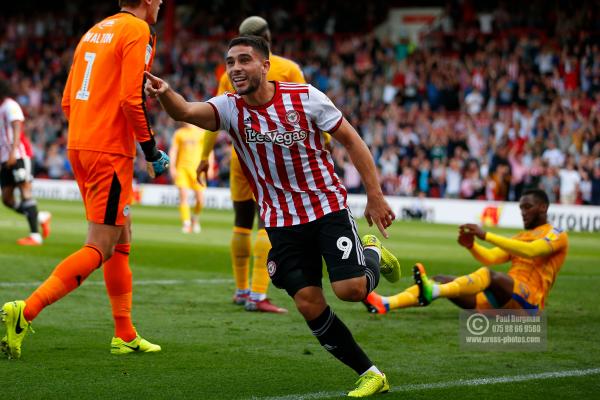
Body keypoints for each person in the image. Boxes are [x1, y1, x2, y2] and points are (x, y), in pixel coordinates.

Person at [145, 35, 401, 397]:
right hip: (280, 221)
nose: (236, 68)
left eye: (245, 60)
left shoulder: (306, 97)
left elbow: (351, 140)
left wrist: (374, 195)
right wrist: (165, 92)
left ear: (265, 66)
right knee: (308, 302)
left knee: (351, 290)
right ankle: (372, 373)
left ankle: (371, 251)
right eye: (230, 62)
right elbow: (185, 111)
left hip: (325, 207)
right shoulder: (230, 108)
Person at [1, 0, 169, 360]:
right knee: (101, 246)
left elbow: (67, 101)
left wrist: (88, 132)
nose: (160, 1)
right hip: (108, 150)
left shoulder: (94, 31)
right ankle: (25, 312)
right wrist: (151, 149)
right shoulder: (139, 30)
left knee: (121, 239)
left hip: (82, 144)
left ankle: (124, 333)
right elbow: (128, 98)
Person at [200, 16, 306, 314]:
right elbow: (307, 107)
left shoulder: (229, 72)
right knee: (266, 221)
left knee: (241, 222)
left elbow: (214, 116)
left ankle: (241, 289)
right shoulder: (287, 68)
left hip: (239, 155)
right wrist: (323, 140)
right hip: (271, 158)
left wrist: (204, 156)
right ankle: (257, 295)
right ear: (268, 37)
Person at [363, 189, 568, 315]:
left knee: (487, 275)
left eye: (528, 207)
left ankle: (433, 291)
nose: (523, 212)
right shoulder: (520, 237)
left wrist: (485, 235)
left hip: (530, 303)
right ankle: (385, 303)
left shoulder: (557, 234)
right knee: (440, 279)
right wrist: (472, 246)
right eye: (521, 208)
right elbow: (492, 257)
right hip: (503, 301)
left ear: (543, 207)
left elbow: (532, 251)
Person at [0, 80, 52, 246]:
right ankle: (39, 216)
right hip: (5, 158)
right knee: (7, 199)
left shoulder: (10, 105)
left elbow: (17, 128)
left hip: (19, 155)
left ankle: (35, 236)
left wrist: (14, 152)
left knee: (25, 190)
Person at [170, 122, 206, 233]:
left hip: (198, 170)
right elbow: (174, 150)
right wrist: (172, 167)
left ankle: (194, 219)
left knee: (200, 200)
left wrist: (210, 166)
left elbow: (208, 151)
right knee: (183, 196)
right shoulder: (179, 133)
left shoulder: (202, 133)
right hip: (182, 169)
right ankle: (186, 223)